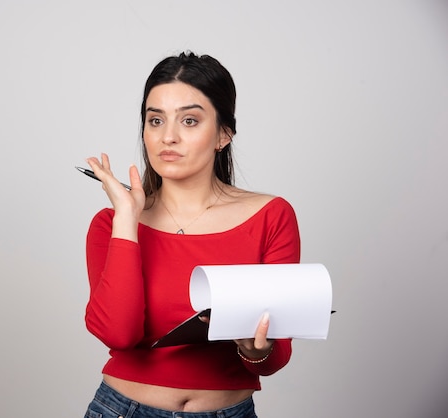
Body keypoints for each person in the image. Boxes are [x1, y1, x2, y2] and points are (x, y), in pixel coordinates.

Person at [83, 51, 300, 418]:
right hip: (122, 410)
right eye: (155, 120)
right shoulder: (112, 223)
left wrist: (254, 349)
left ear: (223, 134)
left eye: (189, 120)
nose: (168, 137)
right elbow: (119, 335)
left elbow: (273, 358)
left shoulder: (271, 216)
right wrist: (127, 220)